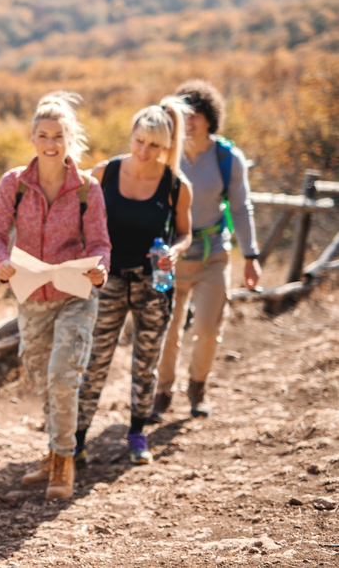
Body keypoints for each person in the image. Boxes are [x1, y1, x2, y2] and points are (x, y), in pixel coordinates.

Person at [0, 92, 111, 499]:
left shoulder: (87, 188)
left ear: (70, 137)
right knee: (42, 378)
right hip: (31, 295)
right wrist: (0, 262)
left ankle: (64, 463)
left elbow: (101, 243)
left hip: (76, 294)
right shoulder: (14, 183)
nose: (51, 143)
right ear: (32, 137)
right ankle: (53, 454)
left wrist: (101, 267)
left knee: (62, 376)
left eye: (58, 135)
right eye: (43, 135)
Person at [75, 98, 194, 466]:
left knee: (146, 363)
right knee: (95, 360)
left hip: (153, 285)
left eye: (155, 145)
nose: (144, 151)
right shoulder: (104, 173)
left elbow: (186, 234)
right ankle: (76, 439)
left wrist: (175, 251)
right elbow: (81, 221)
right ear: (131, 135)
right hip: (106, 281)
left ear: (167, 147)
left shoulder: (176, 185)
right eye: (139, 141)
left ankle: (138, 434)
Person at [152, 80, 260, 420]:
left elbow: (241, 209)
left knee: (209, 330)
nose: (190, 121)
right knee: (166, 330)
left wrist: (251, 257)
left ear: (210, 118)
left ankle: (198, 385)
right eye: (185, 115)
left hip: (213, 254)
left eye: (196, 115)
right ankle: (162, 391)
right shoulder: (164, 154)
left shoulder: (228, 159)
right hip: (170, 256)